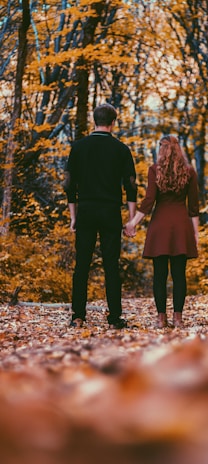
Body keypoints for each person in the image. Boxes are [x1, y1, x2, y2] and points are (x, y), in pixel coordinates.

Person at [64, 103, 137, 329]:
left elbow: (68, 184)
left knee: (82, 265)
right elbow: (131, 186)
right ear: (113, 122)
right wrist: (132, 220)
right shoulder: (121, 150)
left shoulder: (78, 147)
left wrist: (73, 215)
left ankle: (78, 316)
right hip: (110, 211)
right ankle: (114, 318)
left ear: (94, 120)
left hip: (85, 210)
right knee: (111, 266)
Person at [124, 135, 199, 328]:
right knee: (179, 274)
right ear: (178, 149)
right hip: (181, 227)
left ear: (161, 150)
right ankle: (178, 318)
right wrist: (195, 234)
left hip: (160, 226)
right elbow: (194, 207)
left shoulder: (154, 170)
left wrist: (133, 222)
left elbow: (149, 201)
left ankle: (161, 318)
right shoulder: (189, 172)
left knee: (159, 274)